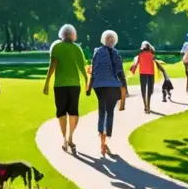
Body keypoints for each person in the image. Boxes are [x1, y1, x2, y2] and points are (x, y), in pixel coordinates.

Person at [43, 24, 87, 154]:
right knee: (74, 112)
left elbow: (52, 66)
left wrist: (46, 83)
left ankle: (64, 138)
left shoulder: (56, 47)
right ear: (73, 35)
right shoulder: (77, 48)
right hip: (74, 85)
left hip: (60, 86)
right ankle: (70, 137)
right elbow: (82, 67)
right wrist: (87, 81)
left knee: (61, 113)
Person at [87, 30, 127, 158]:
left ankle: (102, 141)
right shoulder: (115, 53)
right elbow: (120, 72)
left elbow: (93, 70)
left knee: (102, 110)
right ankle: (105, 140)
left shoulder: (97, 52)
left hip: (99, 86)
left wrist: (89, 87)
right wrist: (124, 88)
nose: (111, 42)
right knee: (109, 112)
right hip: (112, 86)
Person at [130, 41, 165, 113]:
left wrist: (133, 70)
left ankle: (145, 106)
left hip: (143, 74)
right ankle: (147, 105)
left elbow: (136, 63)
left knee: (143, 90)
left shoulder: (141, 54)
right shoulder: (151, 54)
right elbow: (156, 63)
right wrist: (162, 71)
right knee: (150, 90)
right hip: (150, 74)